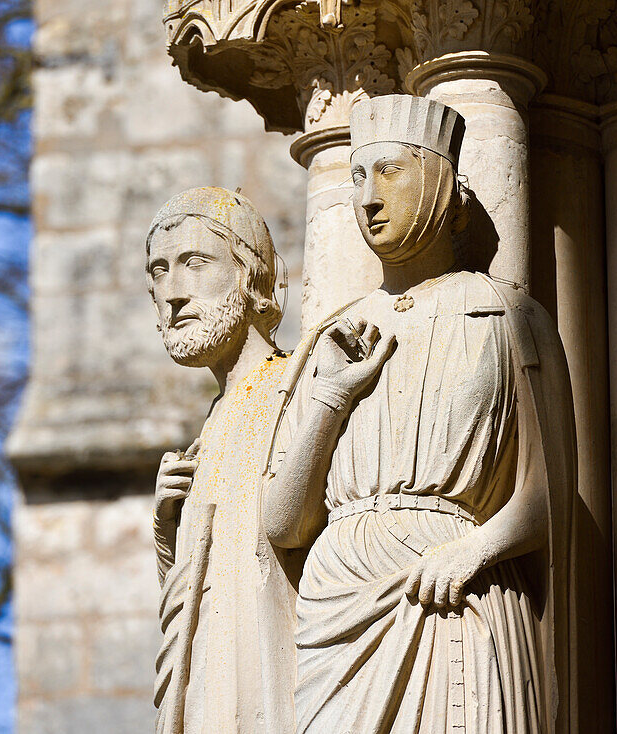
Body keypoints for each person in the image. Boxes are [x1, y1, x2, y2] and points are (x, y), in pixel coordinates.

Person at [262, 96, 577, 733]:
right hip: (336, 603)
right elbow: (283, 524)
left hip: (453, 595)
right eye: (355, 177)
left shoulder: (508, 316)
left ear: (442, 184)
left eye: (390, 172)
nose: (367, 199)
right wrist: (331, 398)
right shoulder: (333, 334)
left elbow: (550, 497)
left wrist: (473, 551)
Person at [147, 187, 299, 734]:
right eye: (159, 272)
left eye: (195, 263)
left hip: (272, 673)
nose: (173, 294)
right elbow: (193, 599)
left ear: (250, 274)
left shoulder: (294, 386)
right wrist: (169, 528)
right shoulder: (213, 423)